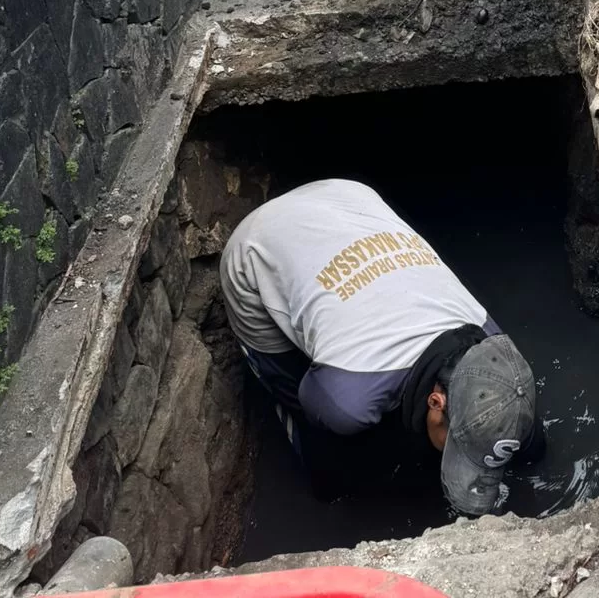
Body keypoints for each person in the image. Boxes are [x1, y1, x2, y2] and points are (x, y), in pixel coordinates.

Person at [220, 179, 539, 517]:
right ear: (436, 402)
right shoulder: (347, 402)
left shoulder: (500, 355)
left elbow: (527, 437)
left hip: (350, 196)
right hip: (259, 242)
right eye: (456, 447)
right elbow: (314, 403)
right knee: (326, 464)